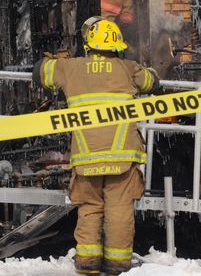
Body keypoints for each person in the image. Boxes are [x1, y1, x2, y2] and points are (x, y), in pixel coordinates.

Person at [33, 18, 159, 275]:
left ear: (89, 45)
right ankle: (117, 265)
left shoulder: (70, 68)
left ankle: (88, 264)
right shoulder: (128, 68)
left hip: (86, 155)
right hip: (123, 156)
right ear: (116, 47)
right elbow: (152, 82)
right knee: (120, 210)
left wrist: (55, 59)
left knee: (89, 208)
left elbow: (39, 73)